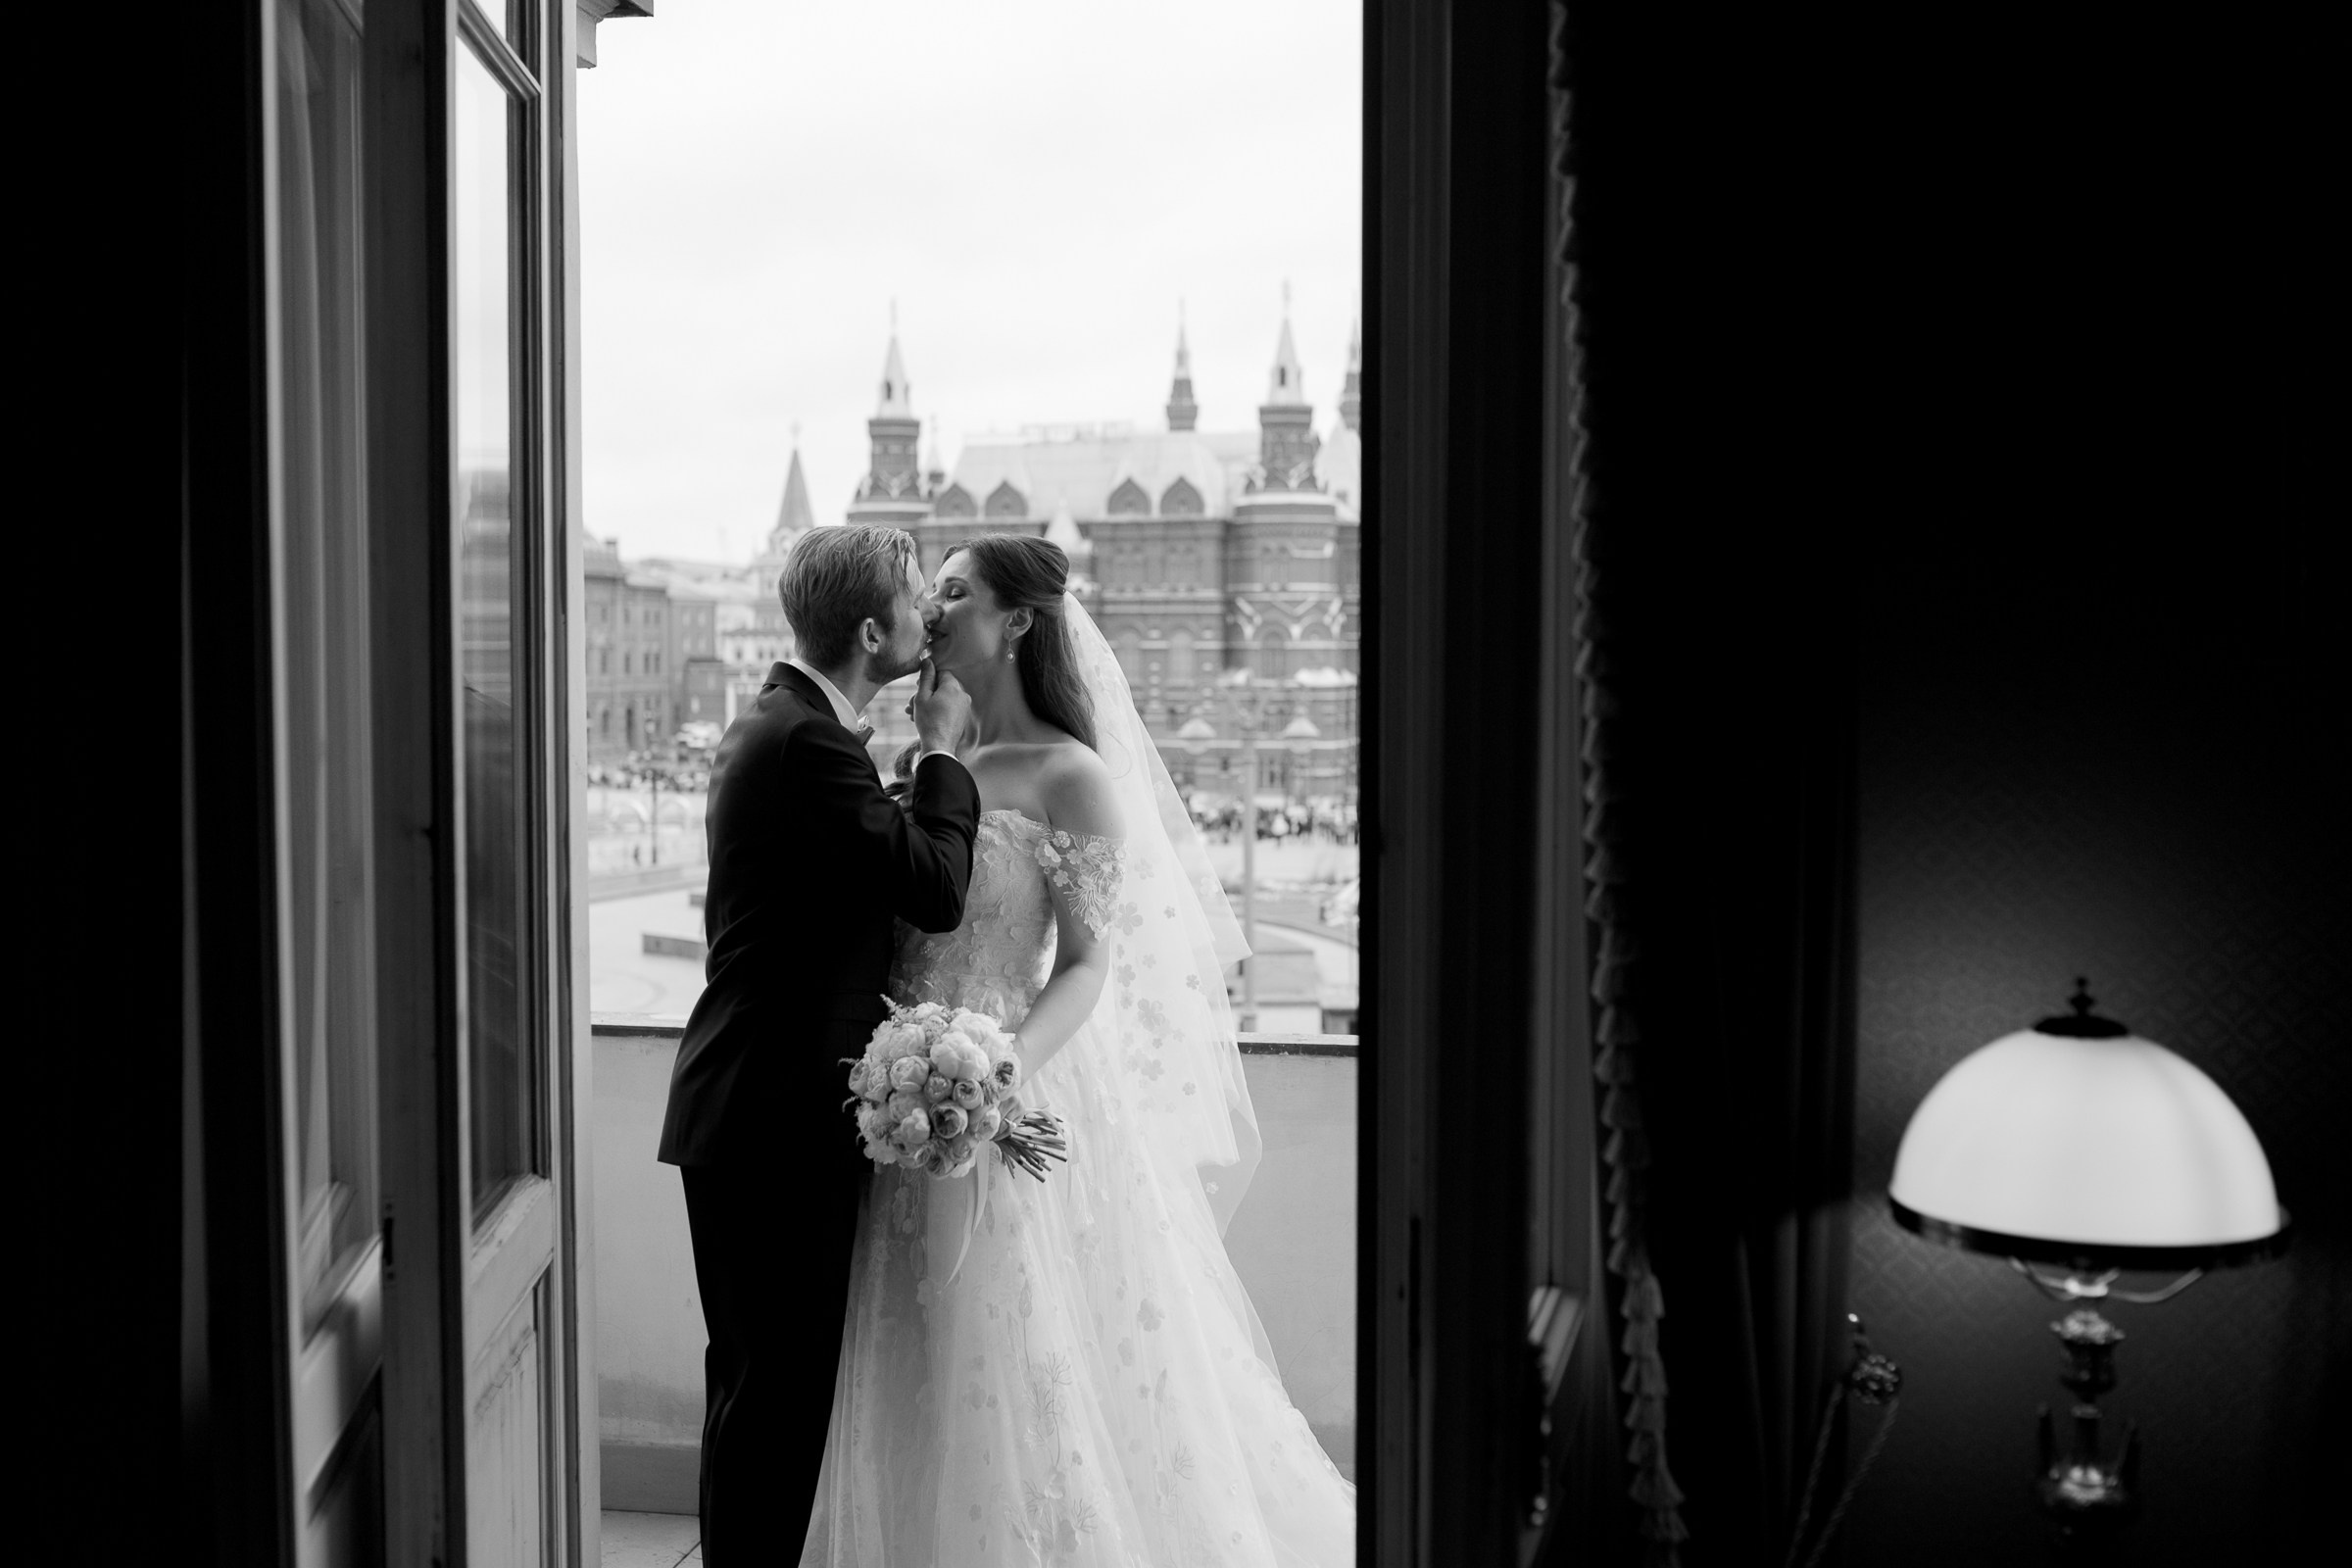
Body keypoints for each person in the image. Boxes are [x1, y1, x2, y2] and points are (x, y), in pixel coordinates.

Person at [802, 534, 1355, 1565]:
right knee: (914, 1348)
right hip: (907, 1109)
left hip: (1012, 1095)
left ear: (1015, 621)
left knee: (1015, 1351)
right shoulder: (939, 767)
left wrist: (996, 1069)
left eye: (955, 594)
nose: (932, 609)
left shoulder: (1072, 772)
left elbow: (1091, 963)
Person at [658, 524, 980, 1566]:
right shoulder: (807, 742)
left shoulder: (789, 725)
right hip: (773, 1119)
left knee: (753, 1395)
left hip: (748, 1109)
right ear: (873, 627)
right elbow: (933, 889)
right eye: (915, 596)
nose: (934, 615)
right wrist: (940, 749)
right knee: (776, 1405)